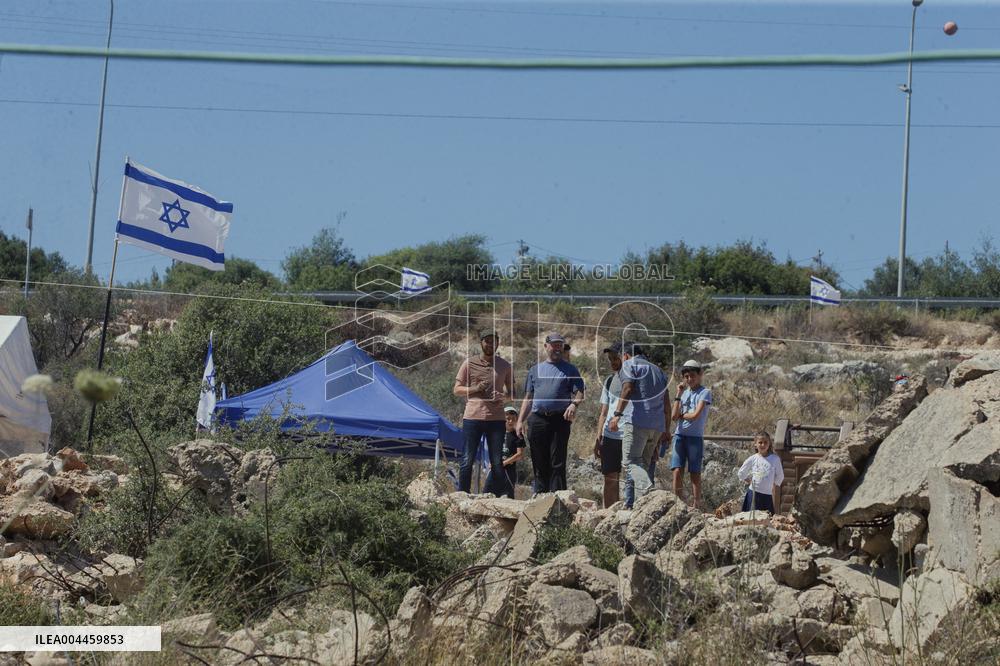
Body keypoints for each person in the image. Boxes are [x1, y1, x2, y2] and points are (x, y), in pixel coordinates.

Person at [516, 332, 585, 493]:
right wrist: (520, 421)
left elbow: (580, 391)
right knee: (539, 461)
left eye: (560, 345)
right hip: (537, 419)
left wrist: (574, 404)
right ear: (546, 347)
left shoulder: (570, 369)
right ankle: (540, 498)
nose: (557, 348)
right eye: (554, 345)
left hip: (559, 420)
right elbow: (528, 397)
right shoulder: (535, 370)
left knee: (557, 462)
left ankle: (559, 502)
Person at [608, 343, 669, 507]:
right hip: (656, 426)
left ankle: (648, 491)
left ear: (625, 355)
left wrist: (616, 415)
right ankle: (638, 505)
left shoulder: (629, 364)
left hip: (637, 422)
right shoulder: (658, 370)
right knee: (643, 465)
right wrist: (666, 430)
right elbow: (666, 403)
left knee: (630, 463)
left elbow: (627, 389)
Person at [454, 330, 514, 495]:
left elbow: (513, 394)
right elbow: (457, 390)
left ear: (498, 344)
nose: (490, 344)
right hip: (473, 417)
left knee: (496, 461)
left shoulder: (505, 365)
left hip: (496, 420)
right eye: (487, 341)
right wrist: (475, 389)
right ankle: (462, 496)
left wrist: (502, 396)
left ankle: (499, 497)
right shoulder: (469, 363)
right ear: (481, 343)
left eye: (493, 341)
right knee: (467, 459)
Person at [670, 359, 712, 508]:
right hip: (680, 435)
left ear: (700, 375)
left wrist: (682, 414)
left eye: (692, 376)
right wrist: (678, 394)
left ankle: (696, 504)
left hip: (694, 437)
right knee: (677, 469)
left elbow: (695, 415)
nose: (689, 379)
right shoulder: (684, 393)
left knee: (694, 472)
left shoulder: (705, 392)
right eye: (686, 376)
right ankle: (677, 503)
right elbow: (674, 416)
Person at [594, 345, 625, 508]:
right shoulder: (609, 380)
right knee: (610, 478)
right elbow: (604, 412)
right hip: (610, 435)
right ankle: (609, 514)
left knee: (630, 479)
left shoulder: (634, 380)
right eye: (610, 359)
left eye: (615, 358)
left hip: (628, 433)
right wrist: (599, 437)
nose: (612, 362)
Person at [737, 432, 784, 514]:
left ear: (769, 444)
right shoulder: (753, 458)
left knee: (766, 519)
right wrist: (749, 481)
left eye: (765, 442)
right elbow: (741, 472)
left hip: (767, 494)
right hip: (753, 494)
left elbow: (780, 475)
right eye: (760, 442)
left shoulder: (775, 459)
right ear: (755, 444)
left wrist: (773, 485)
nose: (763, 445)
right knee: (751, 518)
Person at [486, 406, 525, 499]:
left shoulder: (518, 435)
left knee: (507, 497)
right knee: (487, 495)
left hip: (508, 471)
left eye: (513, 419)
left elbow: (519, 455)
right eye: (508, 419)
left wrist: (503, 463)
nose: (510, 421)